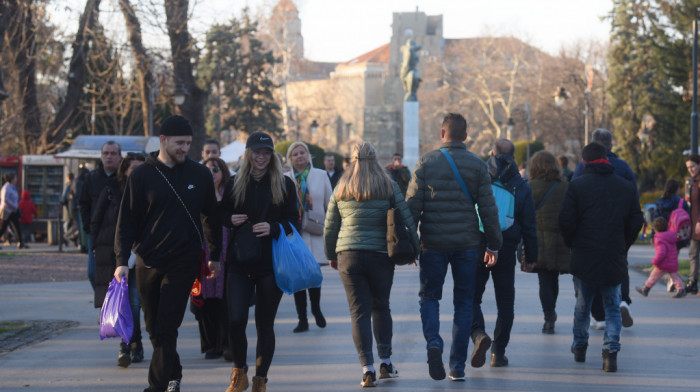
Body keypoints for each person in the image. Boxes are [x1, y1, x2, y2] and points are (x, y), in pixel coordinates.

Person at [115, 115, 222, 392]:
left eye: (188, 143)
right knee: (152, 328)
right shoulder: (141, 175)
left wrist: (215, 256)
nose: (185, 148)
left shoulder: (199, 175)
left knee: (166, 326)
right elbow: (126, 221)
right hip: (147, 261)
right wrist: (121, 261)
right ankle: (173, 372)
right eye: (179, 143)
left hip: (184, 261)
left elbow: (211, 216)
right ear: (163, 140)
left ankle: (157, 386)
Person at [406, 113, 502, 382]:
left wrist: (412, 244)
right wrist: (494, 244)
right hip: (467, 243)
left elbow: (411, 207)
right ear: (466, 136)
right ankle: (457, 366)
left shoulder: (425, 162)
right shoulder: (477, 165)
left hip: (433, 243)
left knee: (429, 297)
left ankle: (434, 343)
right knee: (463, 302)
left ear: (442, 134)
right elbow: (488, 209)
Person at [324, 141, 420, 387]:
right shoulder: (387, 184)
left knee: (359, 312)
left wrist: (331, 254)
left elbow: (331, 225)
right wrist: (415, 250)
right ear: (375, 159)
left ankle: (367, 368)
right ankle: (386, 362)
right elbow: (407, 218)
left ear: (352, 159)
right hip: (380, 254)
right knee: (381, 307)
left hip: (348, 255)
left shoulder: (341, 186)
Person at [220, 132, 298, 392]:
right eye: (257, 152)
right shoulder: (234, 183)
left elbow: (293, 223)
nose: (261, 157)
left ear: (272, 155)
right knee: (235, 320)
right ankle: (239, 373)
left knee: (265, 324)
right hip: (240, 262)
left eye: (266, 153)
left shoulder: (284, 184)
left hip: (270, 264)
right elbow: (221, 213)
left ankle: (260, 379)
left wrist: (274, 227)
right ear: (248, 154)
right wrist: (229, 219)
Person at [559, 142, 643, 373]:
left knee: (582, 305)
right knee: (613, 306)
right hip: (613, 254)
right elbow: (636, 220)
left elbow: (565, 221)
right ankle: (610, 352)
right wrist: (623, 244)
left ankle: (580, 346)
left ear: (585, 162)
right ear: (606, 159)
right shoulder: (625, 187)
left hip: (584, 254)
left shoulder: (577, 186)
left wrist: (573, 243)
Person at [470, 139, 537, 368]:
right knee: (505, 301)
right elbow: (529, 226)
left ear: (491, 153)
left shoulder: (478, 177)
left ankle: (478, 334)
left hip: (478, 244)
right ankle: (498, 352)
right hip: (506, 247)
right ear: (514, 157)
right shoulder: (521, 185)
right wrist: (530, 257)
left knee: (471, 296)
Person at [572, 129, 638, 328]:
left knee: (591, 273)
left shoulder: (582, 167)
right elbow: (634, 201)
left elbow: (572, 197)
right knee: (619, 266)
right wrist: (628, 237)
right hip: (618, 229)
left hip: (589, 231)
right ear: (611, 145)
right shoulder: (623, 167)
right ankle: (622, 300)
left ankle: (598, 315)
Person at [91, 153, 146, 368]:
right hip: (116, 256)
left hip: (140, 255)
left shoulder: (149, 191)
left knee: (133, 303)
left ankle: (134, 344)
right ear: (125, 170)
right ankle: (126, 345)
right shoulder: (111, 191)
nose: (139, 172)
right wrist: (96, 248)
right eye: (134, 168)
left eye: (142, 167)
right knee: (124, 302)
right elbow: (96, 221)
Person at [285, 142, 332, 333]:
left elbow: (331, 203)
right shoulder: (285, 178)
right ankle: (302, 318)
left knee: (313, 274)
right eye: (295, 154)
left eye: (302, 152)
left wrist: (332, 228)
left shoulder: (320, 175)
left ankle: (316, 308)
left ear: (308, 155)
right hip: (294, 233)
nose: (299, 156)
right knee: (298, 277)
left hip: (317, 231)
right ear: (290, 158)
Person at [193, 157, 231, 360]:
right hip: (203, 251)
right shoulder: (196, 194)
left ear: (223, 171)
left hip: (227, 252)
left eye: (215, 169)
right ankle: (210, 345)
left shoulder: (230, 194)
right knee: (204, 300)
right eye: (207, 170)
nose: (212, 173)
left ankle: (227, 344)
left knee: (226, 301)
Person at [528, 151, 570, 334]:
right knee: (553, 277)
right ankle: (551, 312)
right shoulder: (565, 187)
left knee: (544, 278)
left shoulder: (530, 187)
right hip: (560, 238)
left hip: (539, 238)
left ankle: (549, 316)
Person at [80, 141, 123, 289]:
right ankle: (105, 302)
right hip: (97, 233)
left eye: (113, 153)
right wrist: (88, 228)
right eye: (106, 153)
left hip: (119, 233)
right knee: (93, 273)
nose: (109, 157)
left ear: (119, 156)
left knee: (117, 272)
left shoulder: (124, 178)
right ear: (101, 156)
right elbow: (83, 204)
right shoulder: (92, 178)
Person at [635, 217, 687, 298]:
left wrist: (655, 261)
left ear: (655, 229)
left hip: (663, 263)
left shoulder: (659, 239)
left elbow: (661, 253)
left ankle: (646, 289)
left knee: (654, 276)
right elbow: (677, 235)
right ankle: (681, 289)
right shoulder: (672, 235)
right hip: (672, 262)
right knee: (675, 277)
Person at [684, 154, 700, 294]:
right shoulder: (693, 182)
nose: (691, 169)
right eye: (689, 167)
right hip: (694, 224)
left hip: (699, 223)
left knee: (694, 253)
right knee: (693, 253)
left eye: (693, 166)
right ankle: (692, 282)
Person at [0, 173, 25, 249]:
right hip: (7, 210)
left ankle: (20, 242)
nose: (16, 180)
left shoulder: (12, 187)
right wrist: (13, 206)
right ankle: (20, 242)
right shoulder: (6, 188)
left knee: (17, 226)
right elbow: (5, 199)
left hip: (13, 210)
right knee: (3, 227)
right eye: (15, 178)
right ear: (11, 179)